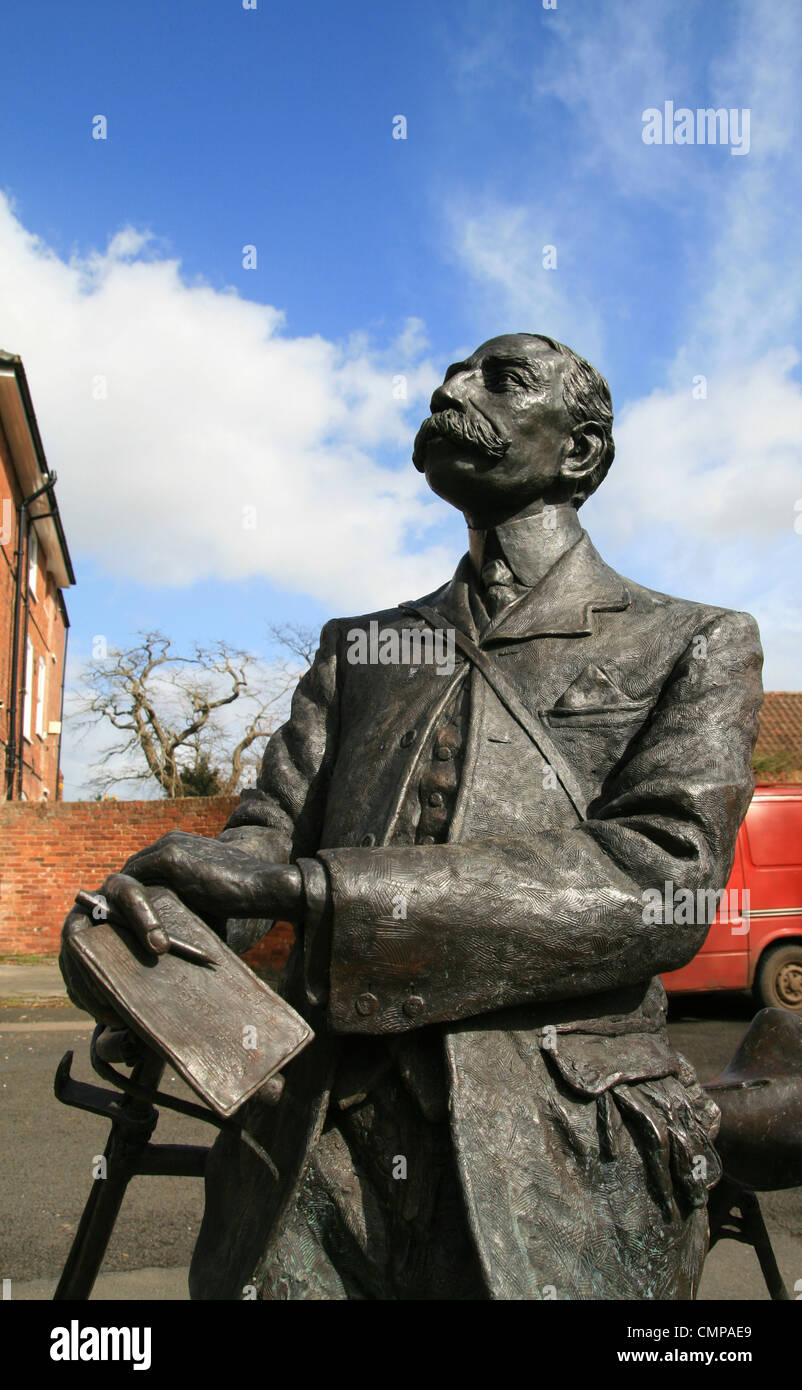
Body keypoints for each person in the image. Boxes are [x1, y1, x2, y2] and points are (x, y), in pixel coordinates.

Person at [61, 333, 763, 1299]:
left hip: (556, 1151)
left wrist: (306, 888)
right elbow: (262, 841)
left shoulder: (692, 640)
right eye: (451, 372)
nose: (450, 387)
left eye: (499, 378)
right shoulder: (362, 648)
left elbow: (660, 879)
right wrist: (147, 925)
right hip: (312, 1145)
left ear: (580, 454)